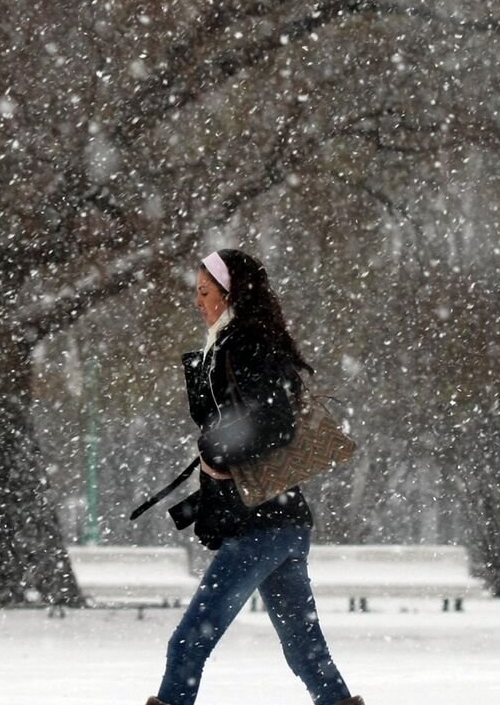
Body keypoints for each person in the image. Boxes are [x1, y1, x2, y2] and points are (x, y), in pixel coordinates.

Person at [145, 248, 362, 705]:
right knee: (305, 652)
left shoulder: (244, 344)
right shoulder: (238, 342)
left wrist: (216, 454)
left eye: (205, 292)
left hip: (260, 525)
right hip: (279, 520)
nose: (198, 302)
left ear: (230, 294)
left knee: (188, 644)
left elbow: (275, 422)